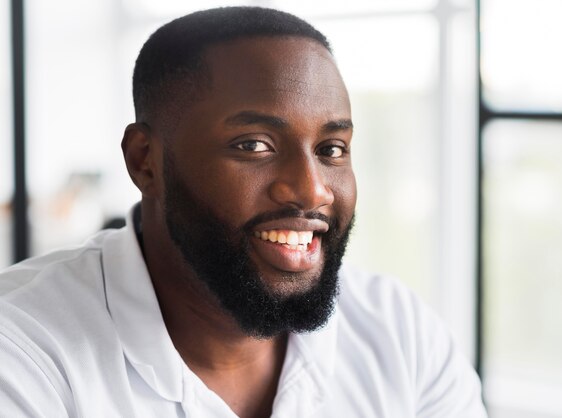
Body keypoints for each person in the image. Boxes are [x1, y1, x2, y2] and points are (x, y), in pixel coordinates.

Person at [0, 7, 487, 418]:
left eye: (332, 149)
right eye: (254, 145)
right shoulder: (21, 350)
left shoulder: (400, 334)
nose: (311, 189)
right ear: (144, 161)